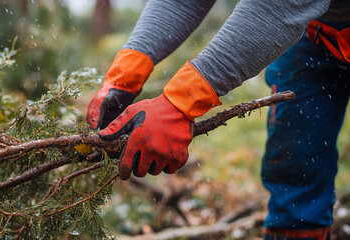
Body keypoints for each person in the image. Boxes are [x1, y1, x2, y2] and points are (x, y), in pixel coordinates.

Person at [85, 0, 350, 239]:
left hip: (291, 10)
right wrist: (130, 67)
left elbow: (277, 6)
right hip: (315, 33)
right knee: (297, 162)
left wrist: (178, 104)